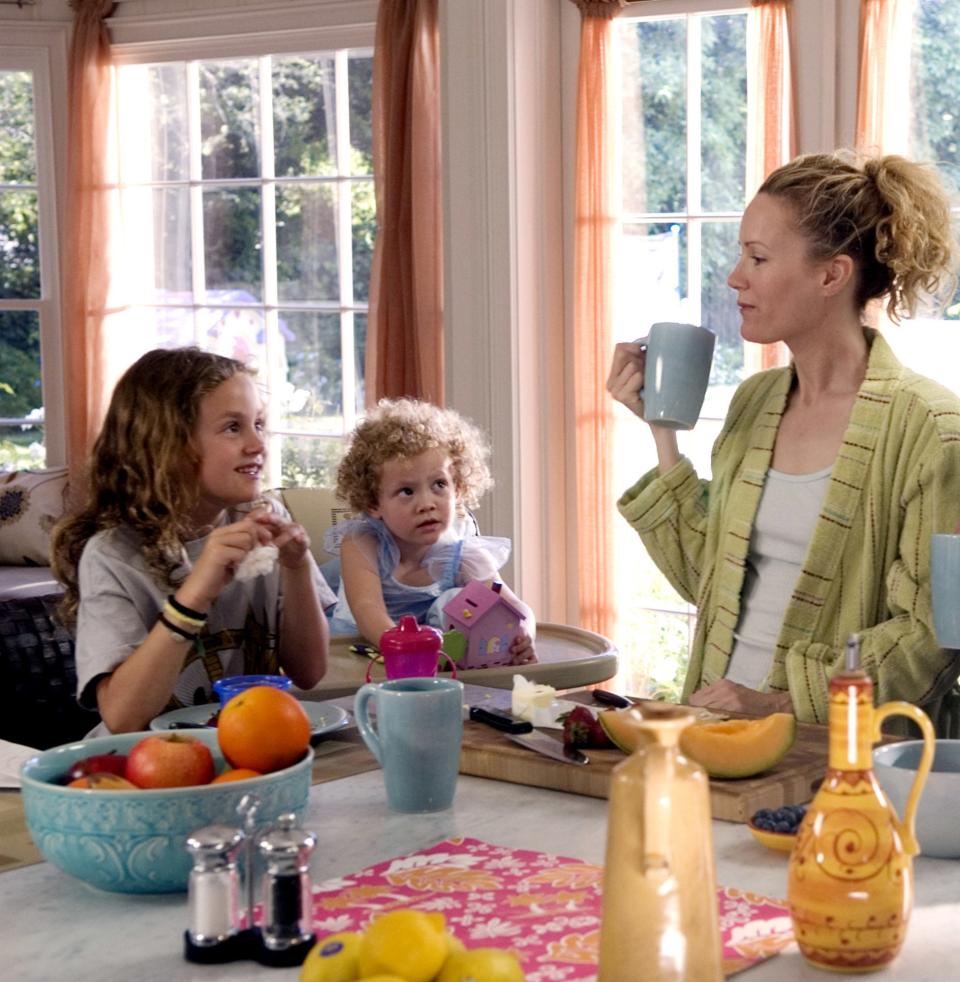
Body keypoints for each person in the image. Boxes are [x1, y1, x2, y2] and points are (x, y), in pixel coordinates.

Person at [607, 151, 960, 733]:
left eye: (758, 257)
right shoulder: (757, 402)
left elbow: (932, 636)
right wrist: (661, 432)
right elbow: (714, 583)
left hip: (845, 758)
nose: (734, 276)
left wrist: (777, 702)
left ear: (831, 275)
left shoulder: (931, 431)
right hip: (718, 732)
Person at [52, 347, 334, 734]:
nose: (258, 444)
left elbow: (310, 672)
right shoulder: (114, 556)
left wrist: (297, 567)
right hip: (146, 770)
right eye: (233, 427)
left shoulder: (264, 522)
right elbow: (122, 717)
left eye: (259, 424)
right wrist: (195, 595)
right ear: (166, 444)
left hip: (251, 753)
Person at [325, 397, 537, 664]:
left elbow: (514, 608)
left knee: (457, 600)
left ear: (457, 488)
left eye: (439, 484)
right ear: (373, 503)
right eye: (406, 491)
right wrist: (407, 647)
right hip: (357, 653)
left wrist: (523, 635)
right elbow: (368, 612)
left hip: (431, 661)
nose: (426, 504)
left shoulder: (463, 553)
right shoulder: (363, 543)